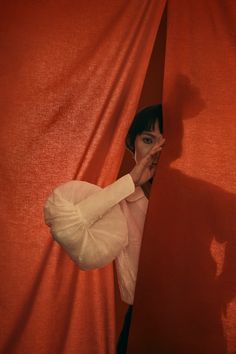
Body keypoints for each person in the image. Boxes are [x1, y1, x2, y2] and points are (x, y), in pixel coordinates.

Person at [44, 104, 165, 353]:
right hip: (141, 324)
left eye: (166, 142)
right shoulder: (120, 204)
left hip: (200, 321)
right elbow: (68, 228)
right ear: (132, 145)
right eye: (148, 139)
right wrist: (130, 182)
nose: (157, 151)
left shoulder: (196, 200)